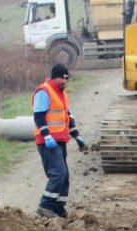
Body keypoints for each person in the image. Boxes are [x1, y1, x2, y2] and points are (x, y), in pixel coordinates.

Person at [32, 63, 87, 218]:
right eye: (64, 79)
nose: (66, 82)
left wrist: (76, 135)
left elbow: (67, 116)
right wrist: (47, 135)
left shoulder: (61, 94)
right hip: (48, 141)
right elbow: (39, 116)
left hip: (60, 140)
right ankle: (45, 206)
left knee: (65, 176)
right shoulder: (44, 92)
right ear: (57, 77)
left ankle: (58, 206)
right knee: (58, 173)